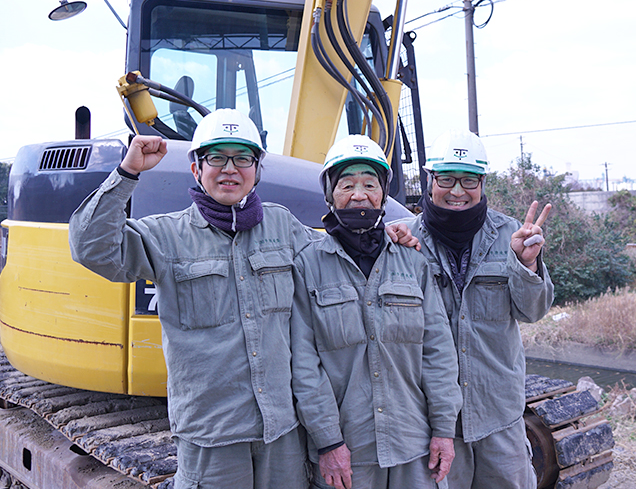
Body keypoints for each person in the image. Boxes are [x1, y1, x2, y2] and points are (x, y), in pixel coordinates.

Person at [69, 109, 314, 489]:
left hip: (280, 432)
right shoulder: (165, 236)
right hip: (211, 436)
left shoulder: (285, 227)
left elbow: (336, 262)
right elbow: (90, 247)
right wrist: (127, 173)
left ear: (257, 168)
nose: (230, 168)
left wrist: (399, 235)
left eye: (242, 158)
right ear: (197, 168)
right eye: (216, 157)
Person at [291, 135, 462, 489]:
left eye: (370, 184)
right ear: (330, 194)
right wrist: (328, 441)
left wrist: (444, 429)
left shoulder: (412, 263)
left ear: (383, 193)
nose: (359, 194)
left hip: (414, 446)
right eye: (347, 184)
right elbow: (304, 366)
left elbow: (438, 353)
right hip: (347, 451)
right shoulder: (307, 265)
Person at [395, 129, 553, 489]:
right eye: (446, 178)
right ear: (430, 179)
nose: (456, 190)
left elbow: (534, 311)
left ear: (482, 183)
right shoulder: (404, 241)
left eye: (468, 179)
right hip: (434, 422)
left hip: (499, 414)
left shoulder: (511, 234)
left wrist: (527, 266)